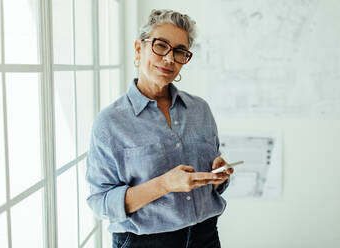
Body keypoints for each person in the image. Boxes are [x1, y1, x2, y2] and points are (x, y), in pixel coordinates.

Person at [86, 9, 234, 248]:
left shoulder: (200, 110)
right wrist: (164, 184)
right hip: (143, 242)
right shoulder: (110, 122)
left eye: (179, 51)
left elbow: (215, 187)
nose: (169, 59)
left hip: (205, 237)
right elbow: (100, 202)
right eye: (160, 45)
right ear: (138, 48)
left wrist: (218, 177)